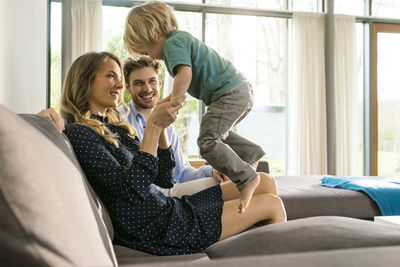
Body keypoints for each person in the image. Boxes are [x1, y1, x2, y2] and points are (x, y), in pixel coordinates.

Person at [60, 51, 286, 256]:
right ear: (85, 81)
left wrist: (162, 130)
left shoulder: (113, 126)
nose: (120, 85)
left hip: (167, 209)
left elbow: (164, 178)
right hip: (156, 228)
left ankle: (251, 252)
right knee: (272, 205)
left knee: (265, 182)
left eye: (120, 77)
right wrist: (153, 127)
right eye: (111, 76)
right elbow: (131, 192)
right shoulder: (82, 134)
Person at [124, 1, 265, 213]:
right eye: (139, 83)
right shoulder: (180, 41)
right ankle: (250, 152)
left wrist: (174, 101)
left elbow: (185, 74)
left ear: (154, 34)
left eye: (146, 50)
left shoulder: (172, 44)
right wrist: (172, 98)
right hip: (238, 91)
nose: (151, 56)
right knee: (217, 136)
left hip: (229, 93)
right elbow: (185, 76)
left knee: (206, 141)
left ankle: (246, 177)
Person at [121, 56, 229, 197]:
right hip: (150, 199)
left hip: (169, 193)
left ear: (159, 83)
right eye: (139, 83)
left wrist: (212, 171)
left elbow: (182, 173)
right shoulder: (119, 120)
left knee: (228, 181)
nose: (147, 89)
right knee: (234, 185)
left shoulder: (167, 125)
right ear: (128, 87)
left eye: (152, 81)